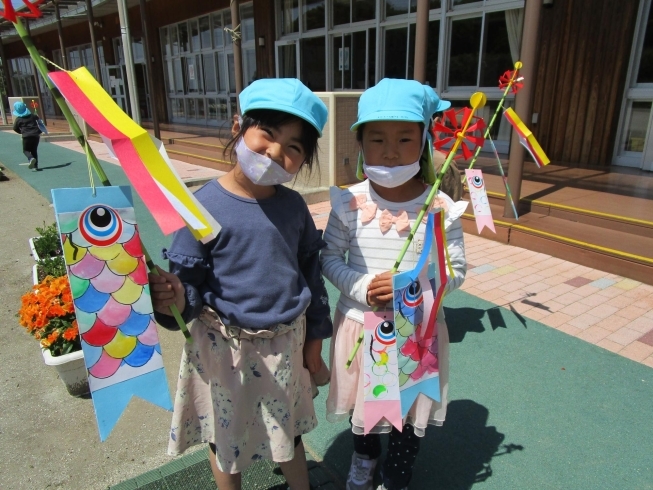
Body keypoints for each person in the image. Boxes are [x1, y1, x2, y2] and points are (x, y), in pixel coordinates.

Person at [149, 78, 333, 490]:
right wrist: (175, 297)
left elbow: (311, 275)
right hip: (223, 348)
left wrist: (316, 339)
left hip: (286, 343)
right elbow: (189, 289)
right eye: (267, 133)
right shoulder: (200, 205)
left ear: (302, 163)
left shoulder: (294, 207)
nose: (275, 152)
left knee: (288, 430)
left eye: (293, 147)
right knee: (225, 436)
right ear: (238, 126)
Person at [321, 78, 468, 490]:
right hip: (359, 327)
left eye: (405, 138)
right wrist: (364, 286)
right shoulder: (348, 201)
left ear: (424, 141)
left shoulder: (439, 207)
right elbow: (329, 258)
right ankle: (364, 461)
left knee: (406, 411)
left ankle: (397, 473)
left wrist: (416, 286)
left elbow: (455, 269)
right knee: (365, 411)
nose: (390, 150)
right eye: (376, 138)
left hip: (415, 332)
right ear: (360, 143)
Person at [12, 101, 42, 171]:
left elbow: (15, 128)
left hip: (26, 136)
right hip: (36, 135)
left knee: (26, 150)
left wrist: (21, 132)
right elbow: (38, 120)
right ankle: (35, 166)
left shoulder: (18, 119)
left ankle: (31, 158)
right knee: (34, 150)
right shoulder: (32, 116)